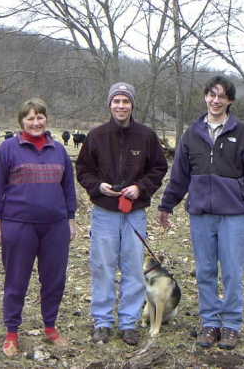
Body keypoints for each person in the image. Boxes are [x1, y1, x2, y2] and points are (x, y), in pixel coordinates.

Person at [158, 75, 244, 350]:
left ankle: (231, 325)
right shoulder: (191, 134)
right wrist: (166, 205)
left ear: (230, 100)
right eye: (211, 95)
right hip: (201, 215)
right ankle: (209, 323)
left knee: (232, 272)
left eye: (222, 96)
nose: (216, 100)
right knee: (206, 271)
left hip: (233, 215)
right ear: (205, 97)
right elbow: (179, 176)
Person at [76, 82, 168, 346]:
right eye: (116, 101)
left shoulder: (146, 136)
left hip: (134, 214)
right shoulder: (96, 136)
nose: (120, 106)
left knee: (132, 268)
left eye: (125, 101)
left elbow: (159, 168)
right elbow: (83, 170)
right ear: (109, 105)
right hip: (104, 211)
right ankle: (103, 322)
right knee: (103, 267)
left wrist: (140, 187)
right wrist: (98, 186)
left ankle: (129, 323)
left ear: (132, 105)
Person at [0, 98, 77, 357]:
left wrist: (70, 219)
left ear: (46, 119)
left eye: (40, 117)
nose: (35, 123)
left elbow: (68, 188)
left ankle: (51, 327)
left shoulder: (59, 150)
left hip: (55, 227)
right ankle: (12, 333)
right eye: (30, 118)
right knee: (16, 281)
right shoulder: (7, 150)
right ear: (21, 122)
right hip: (18, 225)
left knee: (54, 280)